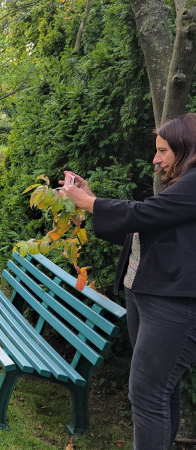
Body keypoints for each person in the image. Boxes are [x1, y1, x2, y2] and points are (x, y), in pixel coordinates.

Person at [63, 113, 196, 449]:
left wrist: (91, 203)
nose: (156, 159)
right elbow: (148, 229)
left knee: (149, 394)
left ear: (188, 149)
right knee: (162, 391)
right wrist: (92, 199)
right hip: (148, 296)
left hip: (175, 305)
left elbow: (143, 214)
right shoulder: (183, 185)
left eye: (163, 151)